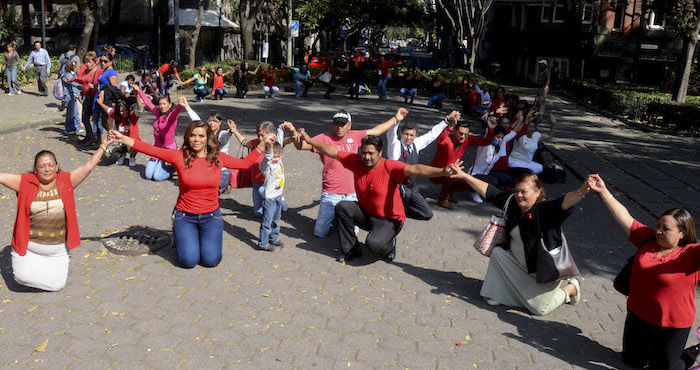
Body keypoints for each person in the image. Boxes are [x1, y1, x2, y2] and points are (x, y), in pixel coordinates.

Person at [110, 122, 272, 269]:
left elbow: (244, 164)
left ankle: (197, 239)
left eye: (201, 136)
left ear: (207, 138)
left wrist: (262, 144)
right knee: (188, 262)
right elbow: (152, 150)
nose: (196, 139)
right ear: (187, 137)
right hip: (185, 217)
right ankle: (181, 238)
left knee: (211, 261)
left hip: (211, 217)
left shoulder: (217, 158)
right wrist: (123, 138)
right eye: (193, 135)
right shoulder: (179, 155)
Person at [587, 174, 699, 370]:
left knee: (666, 367)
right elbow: (625, 218)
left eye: (666, 229)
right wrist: (603, 191)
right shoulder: (648, 240)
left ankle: (693, 352)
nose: (659, 231)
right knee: (631, 362)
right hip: (638, 316)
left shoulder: (692, 254)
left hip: (672, 325)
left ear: (682, 233)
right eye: (658, 226)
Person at [450, 165, 590, 315]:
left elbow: (565, 202)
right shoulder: (512, 203)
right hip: (516, 265)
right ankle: (505, 293)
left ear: (537, 192)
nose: (519, 195)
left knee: (539, 310)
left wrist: (582, 190)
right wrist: (464, 176)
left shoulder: (544, 211)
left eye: (524, 191)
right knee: (498, 253)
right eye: (517, 191)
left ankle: (571, 288)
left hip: (542, 272)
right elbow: (489, 192)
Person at [297, 132, 456, 263]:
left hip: (389, 219)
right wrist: (311, 141)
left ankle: (390, 244)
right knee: (342, 207)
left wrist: (442, 172)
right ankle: (351, 249)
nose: (366, 157)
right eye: (364, 152)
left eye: (371, 153)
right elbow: (331, 150)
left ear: (380, 153)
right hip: (367, 212)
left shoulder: (390, 167)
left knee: (374, 245)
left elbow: (417, 169)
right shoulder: (355, 161)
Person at [2, 135, 115, 291]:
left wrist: (103, 145)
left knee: (57, 285)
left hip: (57, 251)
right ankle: (30, 263)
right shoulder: (25, 182)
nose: (47, 169)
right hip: (29, 248)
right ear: (35, 169)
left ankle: (42, 267)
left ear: (56, 167)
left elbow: (88, 166)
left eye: (50, 165)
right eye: (42, 166)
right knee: (21, 278)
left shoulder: (66, 181)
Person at [288, 108, 408, 238]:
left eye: (343, 124)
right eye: (336, 124)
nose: (339, 127)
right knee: (319, 233)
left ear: (349, 125)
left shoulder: (356, 136)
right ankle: (336, 219)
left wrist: (396, 119)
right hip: (331, 194)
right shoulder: (323, 138)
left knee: (353, 234)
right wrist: (295, 135)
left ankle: (341, 221)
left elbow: (376, 131)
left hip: (352, 194)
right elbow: (301, 146)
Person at [386, 111, 462, 220]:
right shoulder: (396, 146)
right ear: (401, 134)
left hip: (411, 186)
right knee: (405, 196)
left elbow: (432, 134)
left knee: (427, 214)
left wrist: (446, 120)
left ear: (416, 136)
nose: (408, 138)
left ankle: (402, 211)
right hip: (395, 186)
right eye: (406, 134)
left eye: (411, 135)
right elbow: (391, 135)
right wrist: (397, 120)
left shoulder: (416, 144)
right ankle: (395, 214)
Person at [429, 118, 494, 210]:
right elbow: (440, 140)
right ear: (454, 131)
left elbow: (485, 142)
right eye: (460, 133)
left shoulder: (468, 139)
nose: (463, 136)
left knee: (468, 183)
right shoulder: (447, 140)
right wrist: (449, 127)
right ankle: (443, 199)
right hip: (435, 172)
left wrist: (491, 129)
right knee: (451, 170)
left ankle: (448, 193)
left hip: (451, 171)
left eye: (465, 134)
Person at [228, 121, 290, 217]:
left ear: (271, 135)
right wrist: (234, 130)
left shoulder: (275, 144)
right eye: (258, 135)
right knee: (258, 214)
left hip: (269, 182)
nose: (260, 138)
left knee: (265, 195)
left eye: (262, 135)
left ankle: (279, 200)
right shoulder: (255, 143)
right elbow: (244, 142)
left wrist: (294, 134)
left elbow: (288, 140)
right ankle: (273, 204)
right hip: (255, 181)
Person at [135, 87, 191, 181]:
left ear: (169, 105)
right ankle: (160, 164)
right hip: (156, 148)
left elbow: (175, 112)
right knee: (148, 175)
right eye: (160, 104)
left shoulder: (171, 117)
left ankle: (173, 168)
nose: (162, 106)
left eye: (164, 104)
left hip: (168, 150)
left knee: (157, 177)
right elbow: (148, 103)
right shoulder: (158, 113)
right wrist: (139, 90)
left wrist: (180, 105)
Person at [467, 117, 526, 203]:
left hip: (486, 174)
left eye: (502, 137)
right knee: (493, 181)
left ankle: (482, 190)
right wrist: (490, 127)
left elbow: (513, 133)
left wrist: (521, 119)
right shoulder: (484, 145)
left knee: (508, 179)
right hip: (474, 174)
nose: (500, 140)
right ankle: (473, 191)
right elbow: (488, 135)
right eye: (497, 137)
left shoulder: (500, 145)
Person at [97, 90, 144, 167]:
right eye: (122, 111)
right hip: (121, 142)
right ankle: (122, 155)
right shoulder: (116, 115)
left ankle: (132, 157)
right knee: (108, 152)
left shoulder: (133, 116)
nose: (124, 112)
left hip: (132, 142)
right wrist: (100, 102)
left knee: (132, 145)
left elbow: (140, 108)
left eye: (126, 110)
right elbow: (106, 108)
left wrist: (138, 95)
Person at [258, 142, 286, 251]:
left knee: (276, 221)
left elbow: (280, 141)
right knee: (267, 223)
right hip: (270, 199)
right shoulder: (267, 166)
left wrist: (281, 129)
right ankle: (263, 243)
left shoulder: (279, 162)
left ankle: (274, 238)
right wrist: (269, 150)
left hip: (278, 197)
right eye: (274, 156)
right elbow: (267, 159)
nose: (277, 159)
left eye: (279, 156)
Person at [74, 51, 102, 146]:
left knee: (96, 121)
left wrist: (95, 86)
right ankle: (90, 137)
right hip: (86, 97)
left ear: (95, 62)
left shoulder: (99, 71)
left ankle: (99, 141)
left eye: (90, 62)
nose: (87, 64)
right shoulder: (85, 71)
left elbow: (104, 84)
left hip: (95, 98)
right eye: (86, 62)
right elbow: (83, 81)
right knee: (85, 119)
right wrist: (73, 80)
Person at [94, 53, 120, 134]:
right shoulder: (105, 71)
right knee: (104, 123)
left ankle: (114, 139)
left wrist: (113, 102)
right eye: (101, 61)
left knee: (109, 124)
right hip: (102, 99)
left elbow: (114, 89)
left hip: (108, 101)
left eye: (105, 61)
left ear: (111, 62)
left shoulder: (111, 73)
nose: (102, 63)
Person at [61, 61, 83, 136]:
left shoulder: (73, 75)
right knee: (70, 113)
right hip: (69, 97)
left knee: (75, 113)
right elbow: (73, 83)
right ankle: (69, 128)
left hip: (74, 96)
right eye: (76, 66)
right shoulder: (67, 75)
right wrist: (82, 87)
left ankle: (76, 128)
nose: (78, 68)